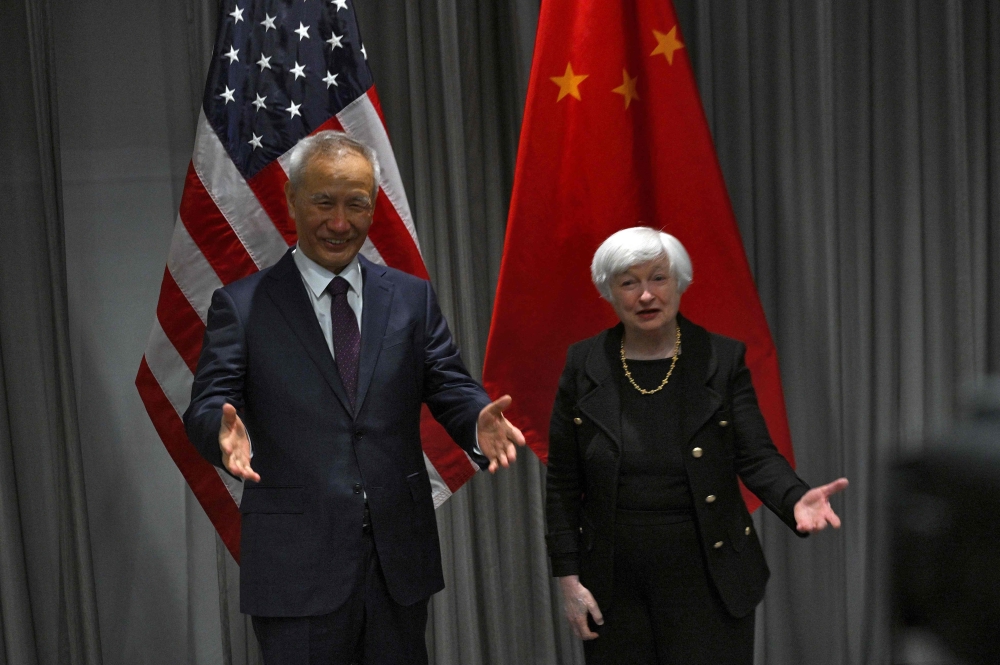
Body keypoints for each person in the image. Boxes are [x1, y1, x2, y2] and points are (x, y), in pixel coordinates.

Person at [183, 131, 525, 665]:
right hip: (297, 564)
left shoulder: (410, 298)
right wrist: (218, 432)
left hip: (396, 562)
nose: (340, 223)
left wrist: (474, 416)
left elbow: (447, 382)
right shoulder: (244, 306)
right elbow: (209, 402)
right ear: (291, 201)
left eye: (356, 204)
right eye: (324, 202)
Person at [545, 227, 848, 664]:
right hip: (613, 583)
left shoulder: (720, 359)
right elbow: (562, 482)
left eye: (658, 278)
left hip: (711, 575)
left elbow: (756, 454)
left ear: (680, 282)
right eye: (629, 282)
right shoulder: (584, 364)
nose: (646, 295)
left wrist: (794, 496)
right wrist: (568, 580)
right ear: (608, 292)